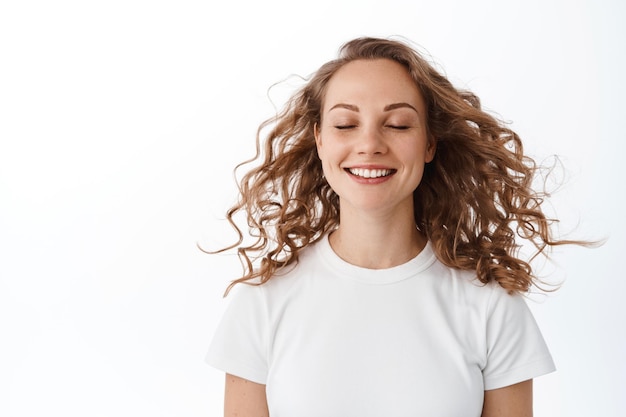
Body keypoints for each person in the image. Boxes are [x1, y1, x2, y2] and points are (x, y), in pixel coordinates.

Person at [206, 36, 578, 416]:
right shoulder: (263, 303)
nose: (370, 144)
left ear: (430, 143)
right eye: (346, 124)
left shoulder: (489, 305)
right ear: (319, 139)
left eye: (398, 125)